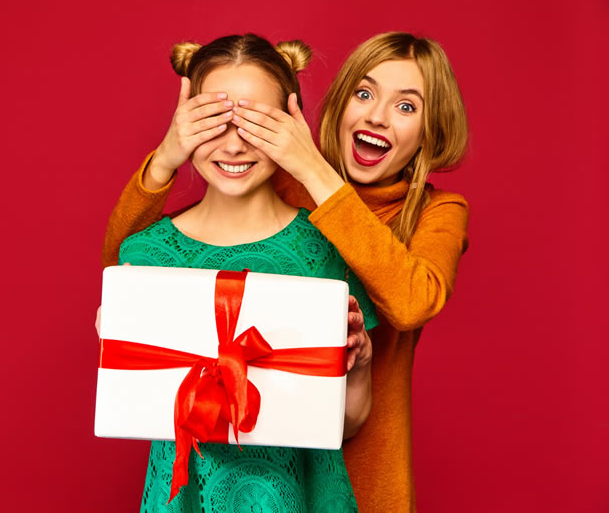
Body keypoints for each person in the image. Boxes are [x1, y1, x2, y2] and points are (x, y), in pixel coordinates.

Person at [102, 32, 470, 512]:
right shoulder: (278, 183)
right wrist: (167, 156)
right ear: (338, 103)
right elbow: (131, 256)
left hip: (355, 472)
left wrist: (313, 169)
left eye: (406, 106)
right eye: (364, 93)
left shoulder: (431, 211)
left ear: (430, 130)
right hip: (227, 468)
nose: (377, 116)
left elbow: (411, 302)